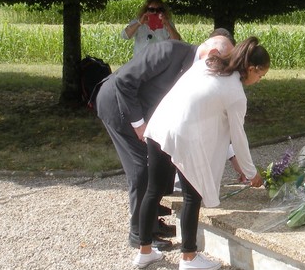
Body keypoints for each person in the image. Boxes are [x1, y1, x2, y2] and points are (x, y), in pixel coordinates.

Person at [133, 37, 269, 270]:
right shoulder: (236, 93)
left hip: (159, 126)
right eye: (261, 75)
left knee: (153, 190)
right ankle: (189, 257)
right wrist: (251, 173)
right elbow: (239, 138)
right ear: (251, 68)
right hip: (182, 136)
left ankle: (144, 252)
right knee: (192, 195)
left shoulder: (209, 64)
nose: (259, 81)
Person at [95, 29, 235, 251]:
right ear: (213, 53)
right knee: (142, 170)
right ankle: (139, 233)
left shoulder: (200, 73)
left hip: (148, 114)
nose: (222, 69)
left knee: (163, 166)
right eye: (223, 62)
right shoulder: (169, 50)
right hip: (117, 106)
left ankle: (152, 222)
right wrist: (139, 124)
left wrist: (232, 155)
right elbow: (123, 81)